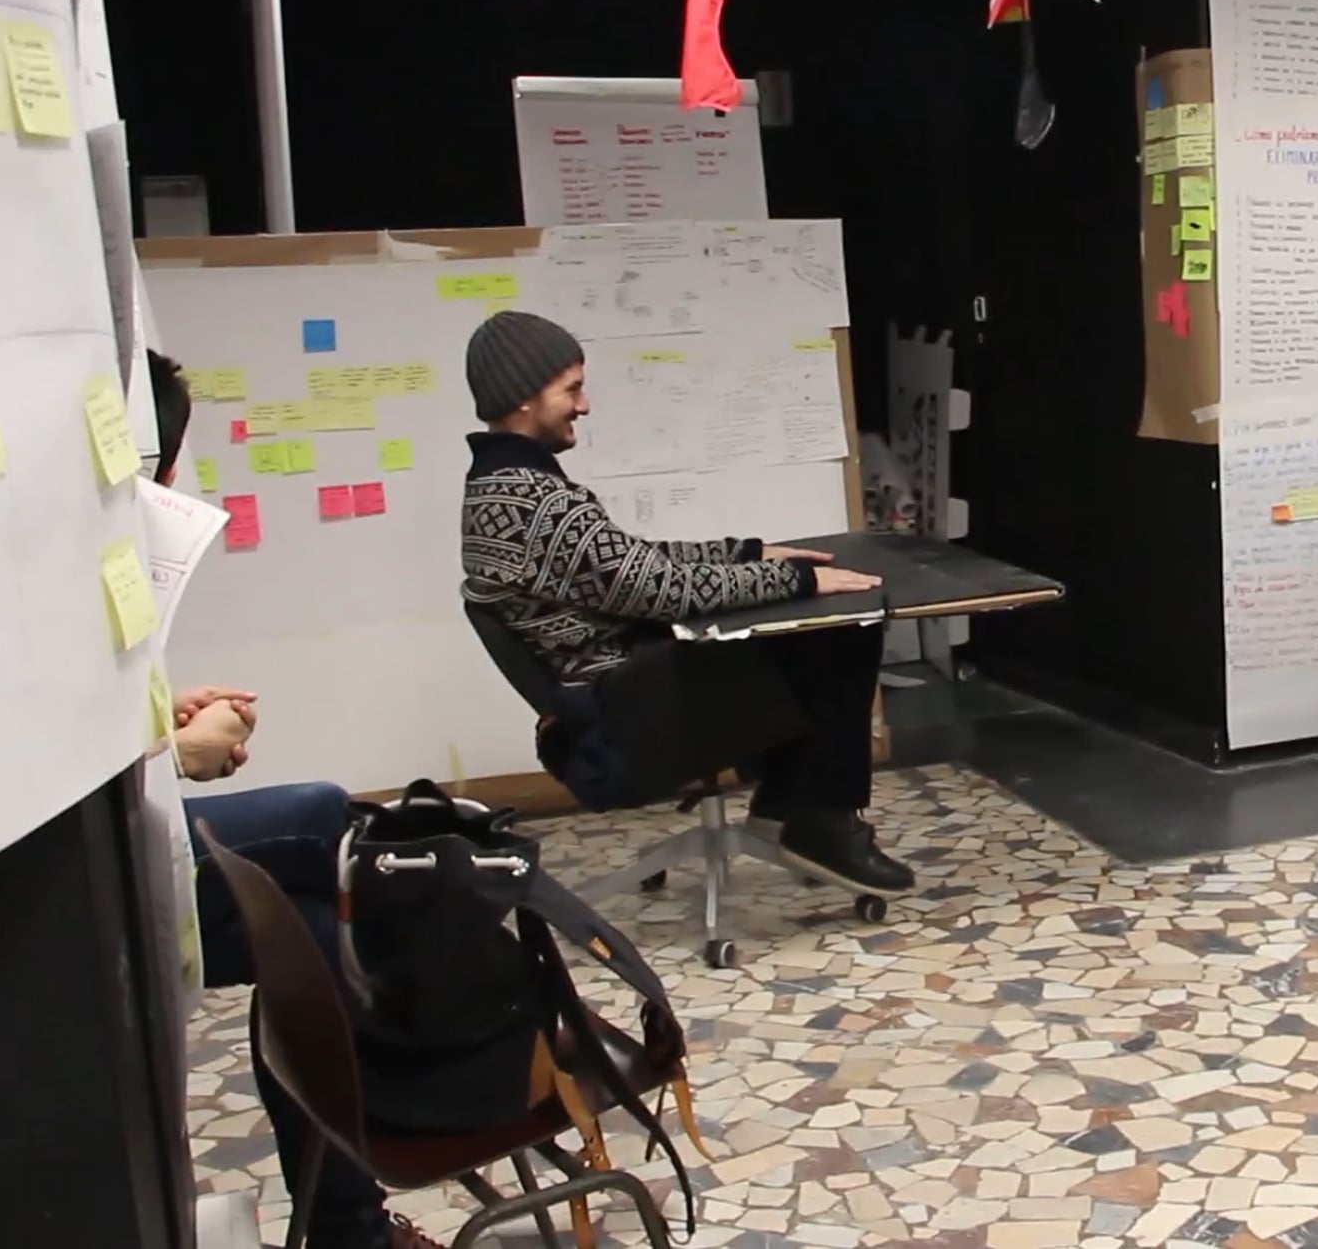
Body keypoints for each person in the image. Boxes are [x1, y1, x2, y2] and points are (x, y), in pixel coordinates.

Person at [456, 310, 911, 896]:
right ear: (525, 397)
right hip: (628, 718)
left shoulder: (499, 489)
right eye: (571, 389)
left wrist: (746, 553)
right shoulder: (537, 503)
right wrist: (798, 580)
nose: (584, 406)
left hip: (610, 703)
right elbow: (664, 589)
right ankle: (819, 820)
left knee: (803, 636)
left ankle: (785, 805)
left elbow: (629, 562)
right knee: (841, 632)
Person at [147, 351, 441, 1249]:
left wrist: (158, 720)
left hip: (131, 842)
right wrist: (174, 751)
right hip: (82, 880)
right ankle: (468, 1044)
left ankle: (352, 1227)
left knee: (310, 936)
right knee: (332, 823)